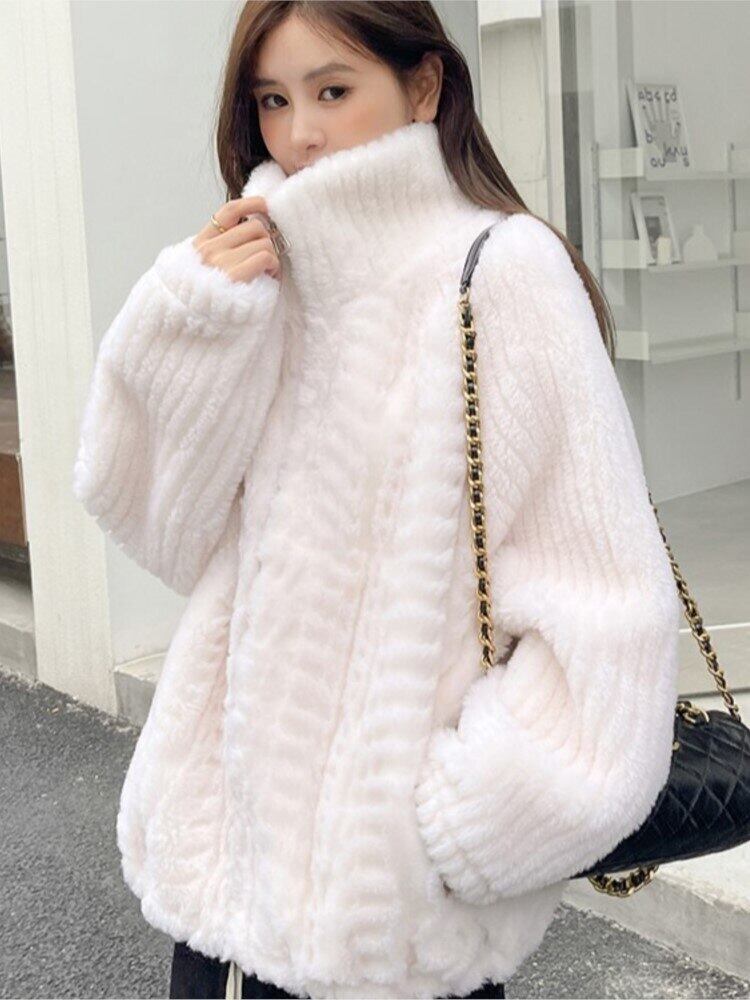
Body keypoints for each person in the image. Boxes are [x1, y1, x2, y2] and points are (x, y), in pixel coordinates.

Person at [72, 2, 682, 999]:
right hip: (222, 898)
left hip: (390, 932)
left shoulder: (504, 274)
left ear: (424, 86)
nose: (301, 134)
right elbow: (153, 523)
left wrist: (454, 827)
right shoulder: (266, 269)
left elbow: (607, 608)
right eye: (273, 100)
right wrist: (194, 320)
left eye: (333, 90)